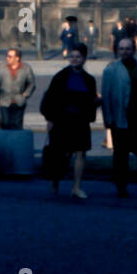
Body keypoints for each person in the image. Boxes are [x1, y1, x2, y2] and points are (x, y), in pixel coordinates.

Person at [100, 35, 137, 197]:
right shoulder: (111, 70)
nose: (125, 52)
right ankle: (122, 187)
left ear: (134, 50)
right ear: (117, 50)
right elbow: (106, 95)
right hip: (121, 120)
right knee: (121, 156)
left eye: (128, 49)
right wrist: (108, 119)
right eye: (121, 49)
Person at [40, 43, 99, 198]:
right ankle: (55, 182)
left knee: (81, 153)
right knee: (60, 153)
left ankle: (76, 187)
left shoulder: (89, 80)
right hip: (62, 120)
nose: (74, 60)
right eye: (72, 57)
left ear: (84, 59)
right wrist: (50, 119)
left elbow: (91, 101)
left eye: (78, 57)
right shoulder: (60, 77)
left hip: (80, 121)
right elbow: (51, 99)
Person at [0, 48, 35, 129]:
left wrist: (25, 94)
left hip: (19, 100)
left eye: (10, 56)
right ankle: (6, 140)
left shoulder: (26, 68)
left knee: (17, 124)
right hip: (4, 100)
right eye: (7, 56)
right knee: (5, 123)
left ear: (17, 58)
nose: (7, 58)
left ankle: (16, 140)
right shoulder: (2, 68)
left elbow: (32, 84)